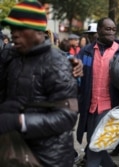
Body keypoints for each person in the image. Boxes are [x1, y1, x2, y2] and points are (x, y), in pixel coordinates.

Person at [0, 1, 78, 167]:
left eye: (20, 28)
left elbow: (66, 117)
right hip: (13, 153)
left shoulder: (57, 64)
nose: (14, 33)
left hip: (46, 159)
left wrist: (20, 121)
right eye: (12, 28)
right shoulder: (11, 56)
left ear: (38, 31)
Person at [76, 17, 119, 167]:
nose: (111, 32)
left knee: (95, 145)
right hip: (91, 106)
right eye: (107, 29)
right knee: (95, 141)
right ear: (98, 31)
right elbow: (79, 71)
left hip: (110, 107)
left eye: (113, 30)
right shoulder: (86, 52)